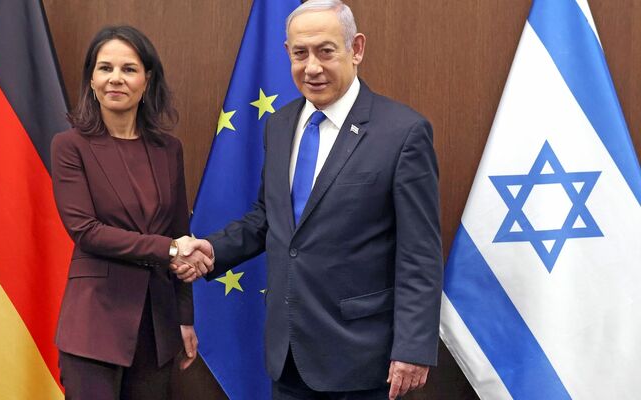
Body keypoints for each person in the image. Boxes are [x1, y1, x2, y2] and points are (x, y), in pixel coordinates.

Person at [173, 1, 443, 399]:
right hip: (288, 356)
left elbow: (420, 252)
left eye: (325, 50)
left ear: (357, 49)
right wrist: (212, 249)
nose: (311, 66)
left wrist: (413, 348)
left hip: (364, 360)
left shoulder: (402, 132)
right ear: (287, 54)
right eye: (300, 53)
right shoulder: (280, 125)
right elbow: (269, 217)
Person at [51, 25, 212, 400]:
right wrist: (169, 250)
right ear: (91, 80)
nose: (116, 79)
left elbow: (179, 230)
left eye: (128, 69)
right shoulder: (70, 146)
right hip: (95, 324)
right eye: (105, 68)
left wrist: (184, 317)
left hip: (156, 326)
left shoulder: (168, 149)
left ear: (147, 79)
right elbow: (87, 231)